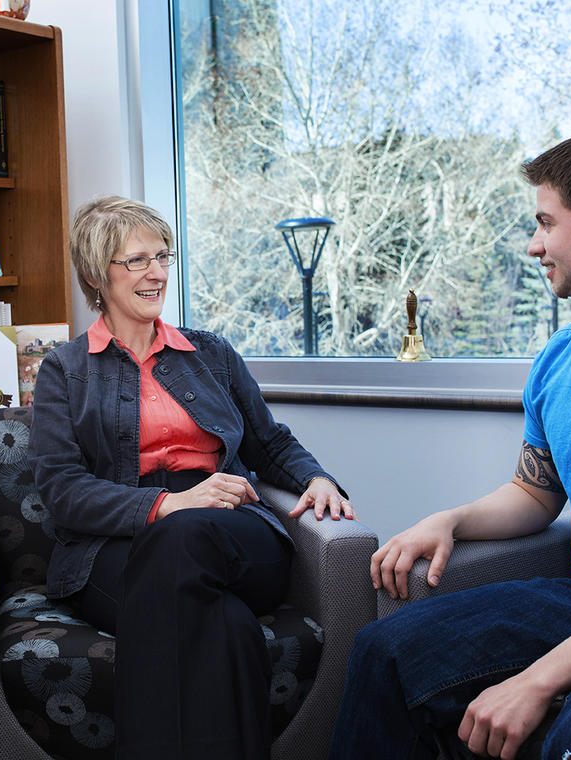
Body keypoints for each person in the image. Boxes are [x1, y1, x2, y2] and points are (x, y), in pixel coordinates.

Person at [328, 122, 571, 759]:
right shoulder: (559, 359)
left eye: (546, 223)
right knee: (385, 651)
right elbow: (535, 492)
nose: (534, 246)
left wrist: (536, 679)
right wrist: (452, 520)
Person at [29, 196, 354, 760]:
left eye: (162, 257)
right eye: (135, 261)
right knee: (224, 625)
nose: (156, 273)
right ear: (93, 274)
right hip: (116, 548)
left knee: (187, 538)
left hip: (231, 530)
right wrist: (166, 506)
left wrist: (317, 478)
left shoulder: (211, 353)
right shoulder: (65, 370)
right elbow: (61, 490)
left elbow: (268, 441)